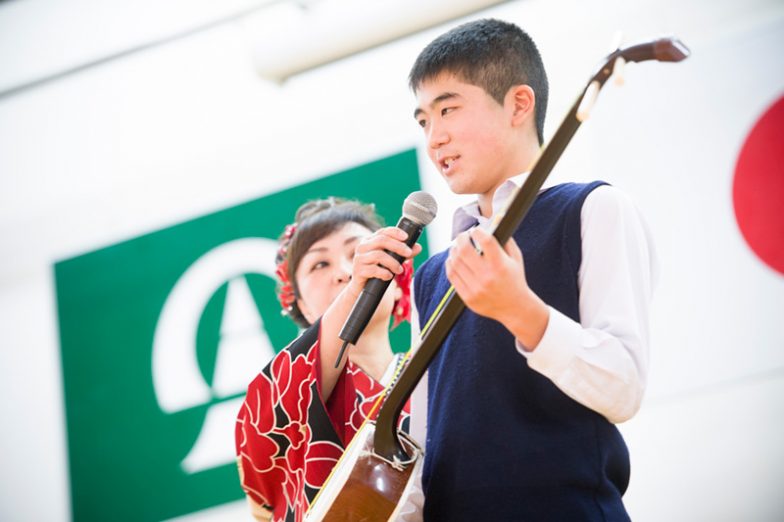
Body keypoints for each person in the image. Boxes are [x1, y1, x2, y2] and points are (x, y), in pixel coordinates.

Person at [387, 18, 656, 520]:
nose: (434, 138)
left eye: (448, 109)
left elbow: (623, 387)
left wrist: (522, 311)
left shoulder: (593, 209)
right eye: (423, 120)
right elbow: (426, 446)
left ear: (518, 104)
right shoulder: (432, 273)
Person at [234, 198, 421, 522]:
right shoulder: (284, 397)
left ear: (398, 285)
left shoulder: (439, 372)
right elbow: (261, 448)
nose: (347, 272)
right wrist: (355, 292)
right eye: (320, 264)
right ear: (301, 306)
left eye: (362, 255)